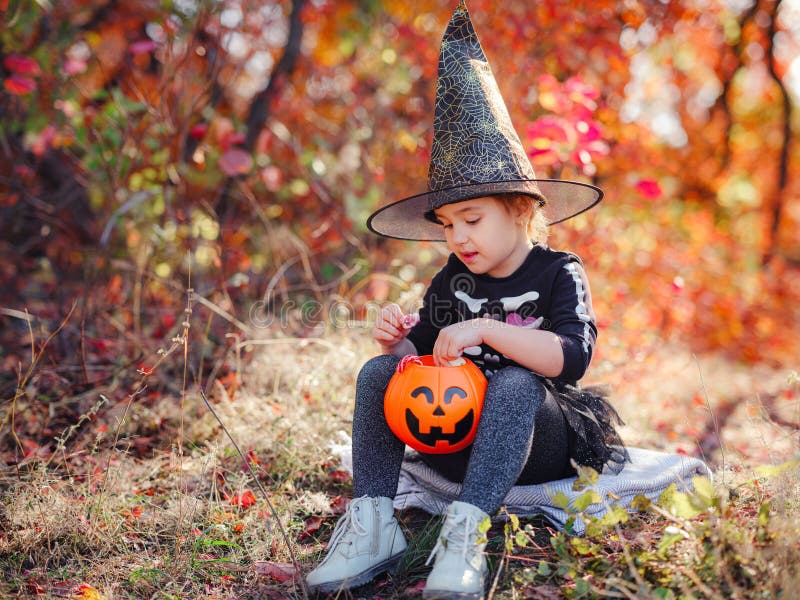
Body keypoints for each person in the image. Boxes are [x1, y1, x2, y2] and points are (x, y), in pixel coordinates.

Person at [306, 2, 626, 597]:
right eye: (448, 224)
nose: (458, 237)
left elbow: (571, 358)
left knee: (514, 382)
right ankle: (374, 523)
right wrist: (397, 341)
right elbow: (421, 360)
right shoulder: (452, 278)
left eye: (472, 219)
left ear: (522, 210)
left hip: (534, 443)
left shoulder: (559, 270)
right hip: (453, 440)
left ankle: (467, 531)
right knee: (380, 372)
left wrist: (485, 329)